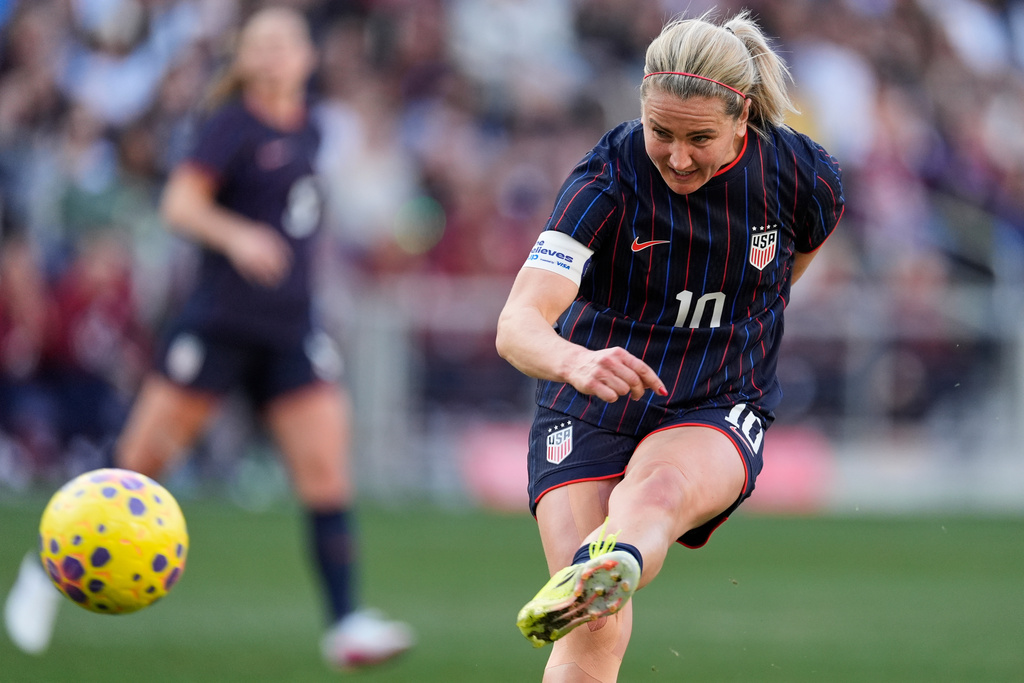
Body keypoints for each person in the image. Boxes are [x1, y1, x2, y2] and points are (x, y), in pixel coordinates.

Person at [4, 7, 413, 669]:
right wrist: (237, 235)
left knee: (327, 473)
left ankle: (345, 624)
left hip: (289, 327)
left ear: (307, 56)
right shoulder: (232, 124)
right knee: (137, 463)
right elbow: (179, 204)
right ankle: (42, 571)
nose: (277, 56)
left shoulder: (310, 123)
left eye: (287, 44)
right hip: (220, 322)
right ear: (246, 59)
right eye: (263, 45)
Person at [495, 11, 843, 682]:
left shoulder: (803, 176)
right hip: (590, 399)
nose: (679, 157)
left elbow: (792, 264)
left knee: (658, 492)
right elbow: (519, 321)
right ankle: (605, 576)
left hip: (716, 397)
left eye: (699, 137)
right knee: (593, 632)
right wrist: (576, 360)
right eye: (661, 133)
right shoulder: (606, 177)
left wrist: (746, 318)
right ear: (641, 112)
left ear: (742, 116)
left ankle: (614, 561)